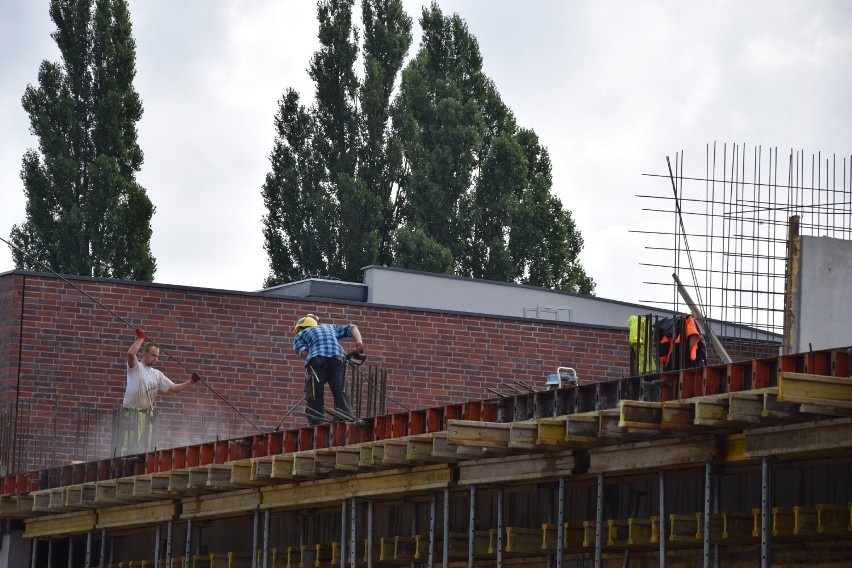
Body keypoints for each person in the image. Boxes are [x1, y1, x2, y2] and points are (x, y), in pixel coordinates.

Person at [118, 328, 200, 455]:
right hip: (131, 413)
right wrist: (140, 339)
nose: (156, 359)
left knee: (144, 447)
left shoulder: (157, 374)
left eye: (157, 356)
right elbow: (130, 354)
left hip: (146, 415)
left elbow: (174, 388)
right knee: (128, 445)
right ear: (144, 353)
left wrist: (191, 382)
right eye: (153, 355)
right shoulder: (135, 367)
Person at [293, 315, 364, 425]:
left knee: (315, 395)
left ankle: (315, 424)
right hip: (337, 358)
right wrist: (359, 345)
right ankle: (347, 420)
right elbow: (352, 327)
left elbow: (304, 353)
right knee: (341, 392)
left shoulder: (300, 335)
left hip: (317, 359)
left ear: (299, 329)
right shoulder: (330, 327)